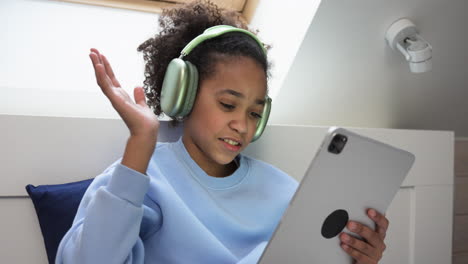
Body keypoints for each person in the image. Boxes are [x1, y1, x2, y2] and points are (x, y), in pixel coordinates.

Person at [56, 1, 389, 263]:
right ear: (183, 94)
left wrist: (358, 259)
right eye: (228, 105)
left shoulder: (288, 193)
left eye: (255, 112)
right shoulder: (136, 178)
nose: (242, 125)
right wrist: (142, 141)